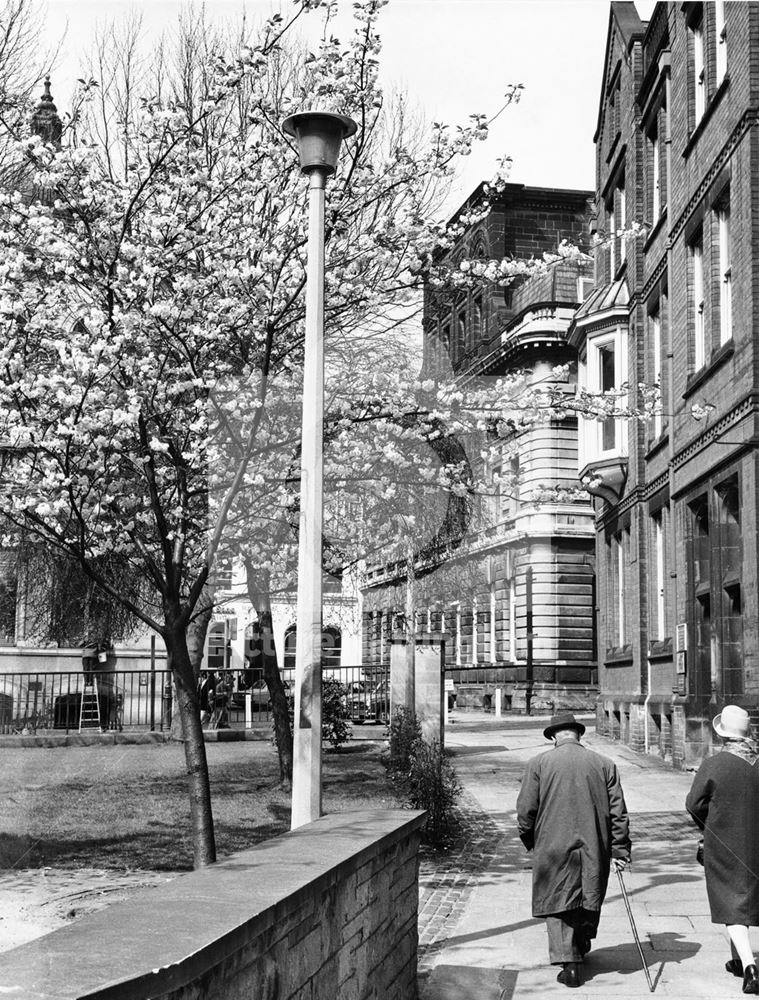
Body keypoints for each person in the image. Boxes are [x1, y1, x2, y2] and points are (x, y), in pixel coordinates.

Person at [516, 712, 632, 989]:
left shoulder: (538, 764)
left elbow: (525, 810)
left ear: (555, 735)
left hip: (552, 843)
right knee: (589, 893)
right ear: (578, 734)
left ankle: (569, 963)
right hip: (595, 842)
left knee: (558, 898)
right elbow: (619, 813)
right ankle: (581, 944)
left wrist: (531, 839)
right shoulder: (605, 764)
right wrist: (619, 849)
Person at [686, 704, 759, 995]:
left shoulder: (715, 764)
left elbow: (693, 804)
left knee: (730, 901)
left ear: (723, 735)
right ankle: (737, 960)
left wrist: (708, 824)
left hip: (727, 843)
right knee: (750, 899)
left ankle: (751, 968)